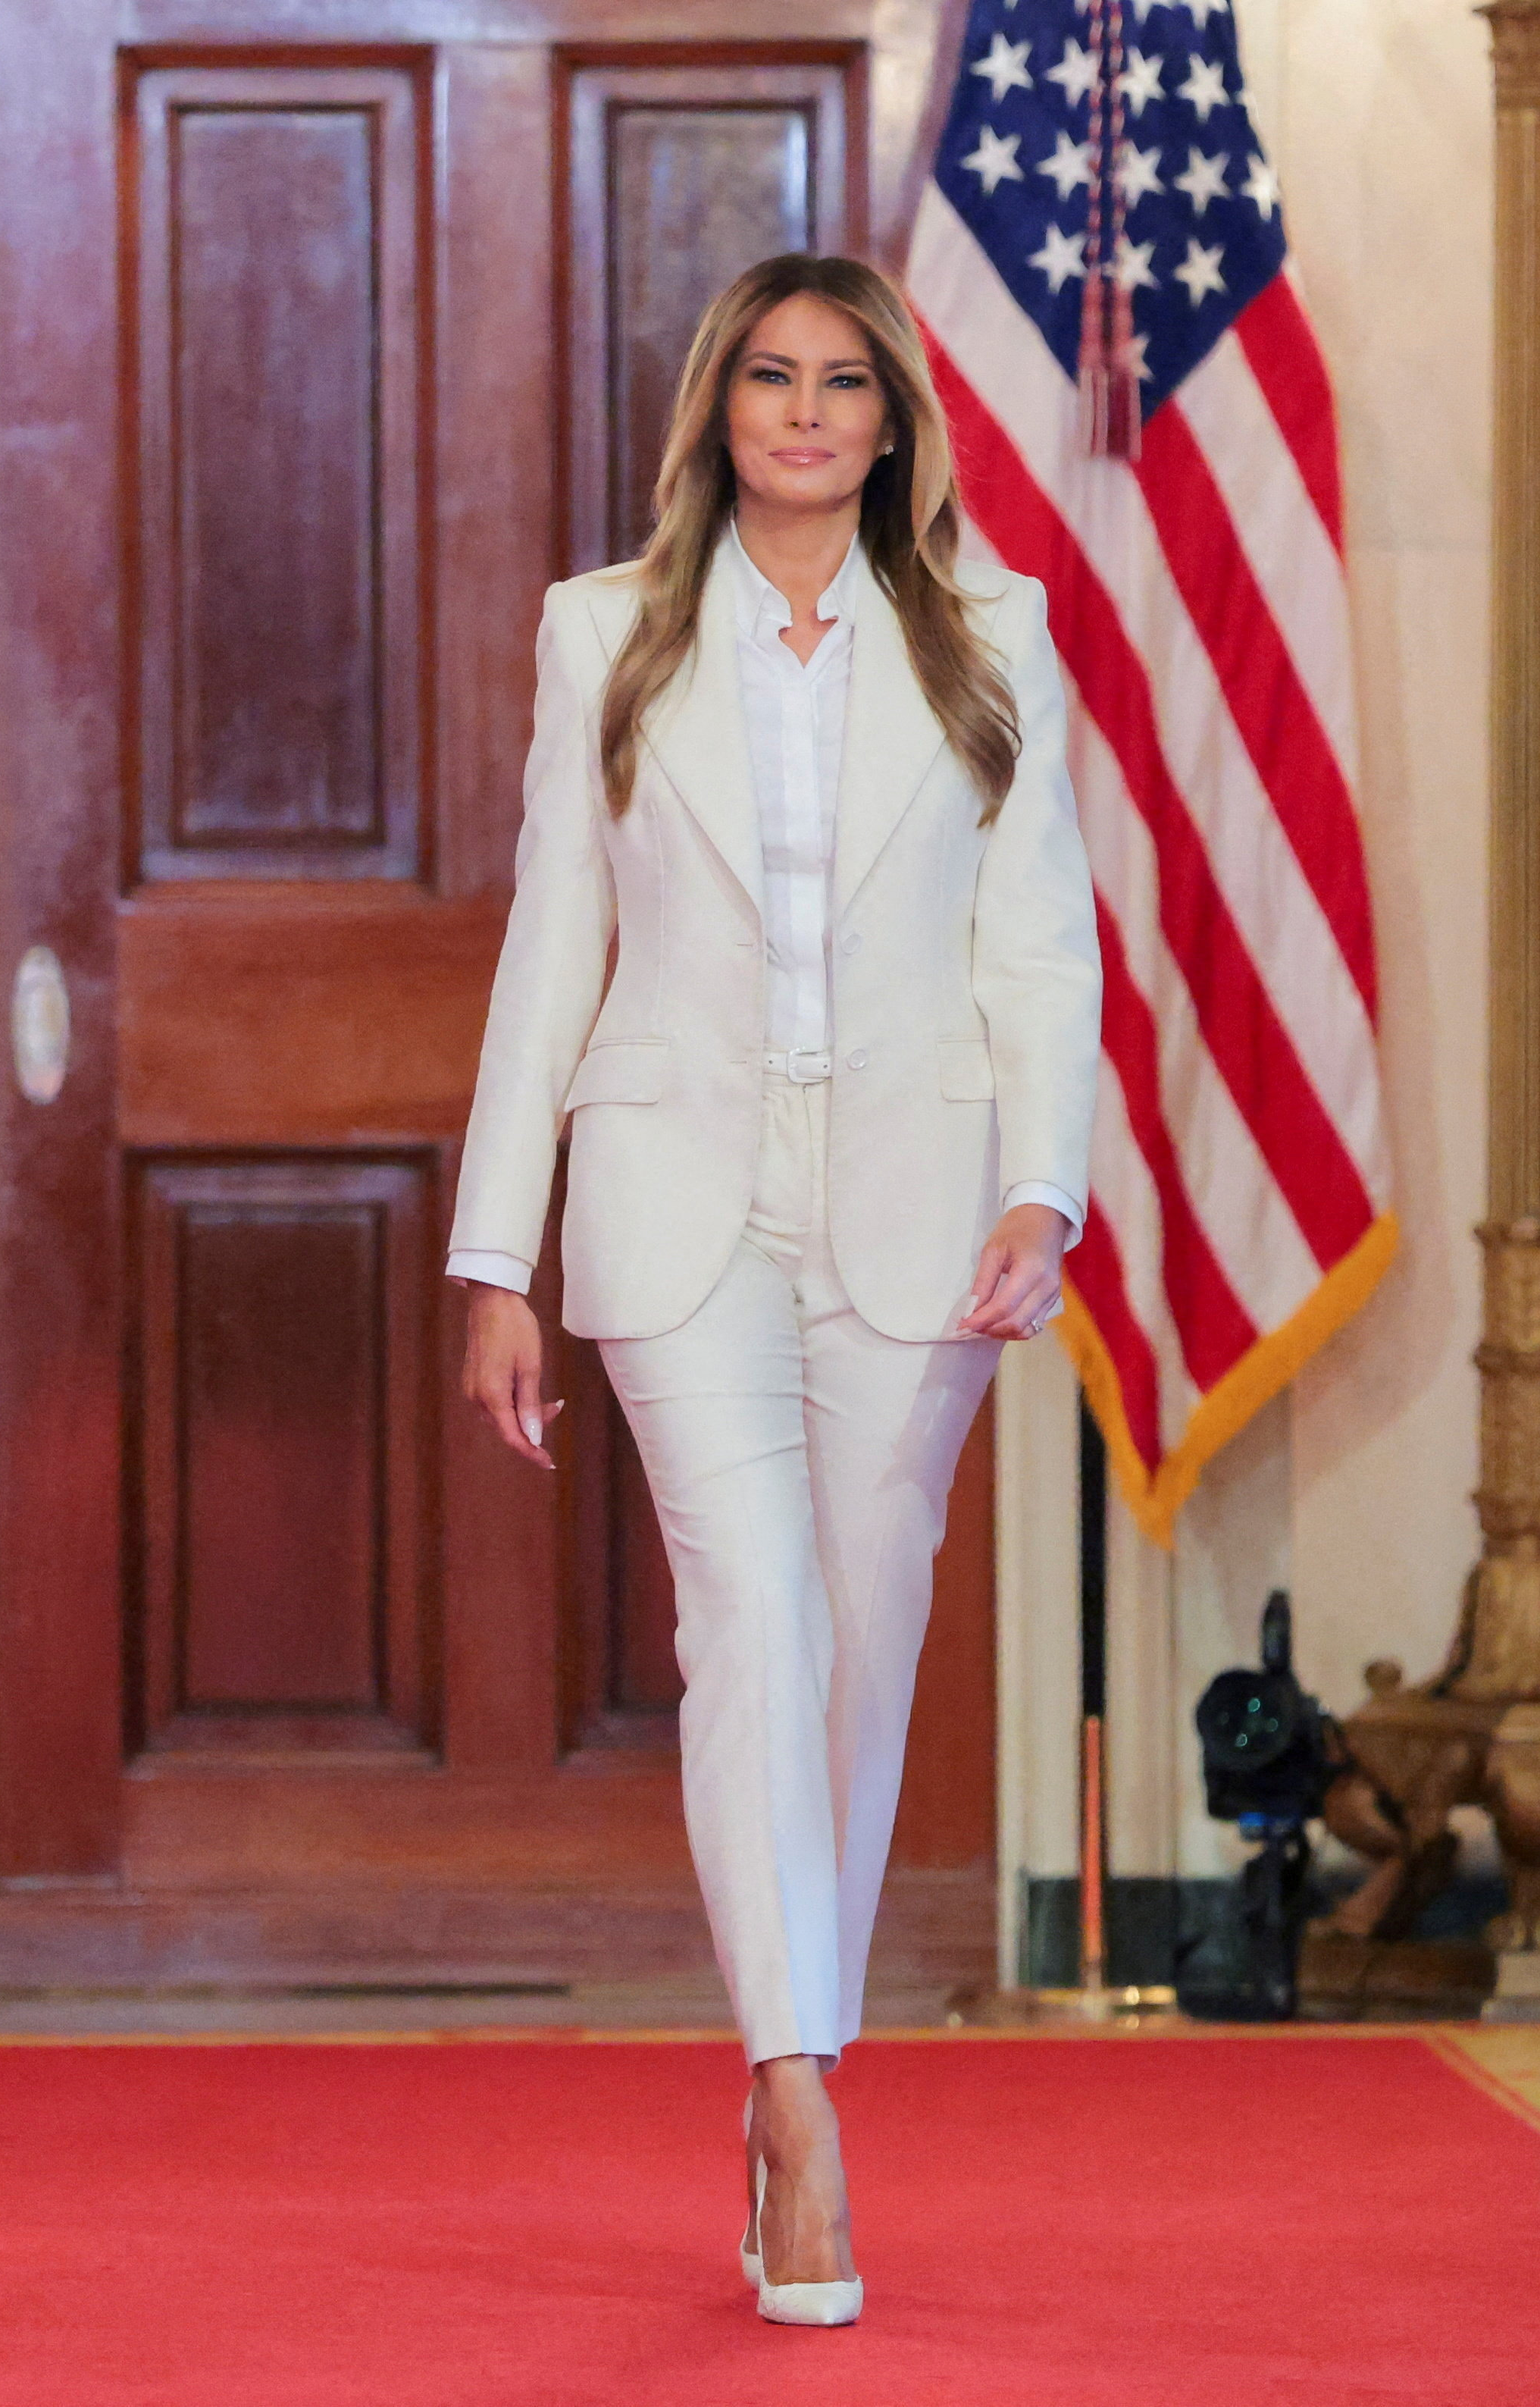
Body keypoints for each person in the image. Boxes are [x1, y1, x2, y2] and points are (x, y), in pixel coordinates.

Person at [446, 253, 1098, 2327]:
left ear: (893, 421)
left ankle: (782, 2042)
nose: (802, 415)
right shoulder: (601, 633)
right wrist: (494, 1258)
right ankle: (795, 2096)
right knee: (742, 1618)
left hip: (917, 1195)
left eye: (839, 384)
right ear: (716, 410)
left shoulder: (994, 635)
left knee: (859, 1638)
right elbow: (551, 945)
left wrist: (1042, 1188)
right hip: (670, 1190)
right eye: (764, 379)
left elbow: (1041, 941)